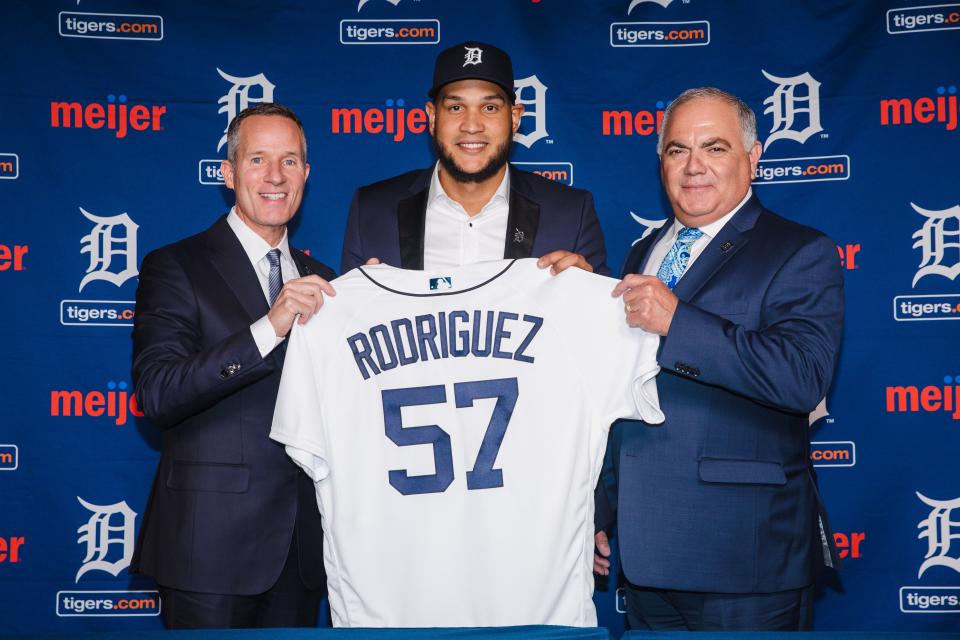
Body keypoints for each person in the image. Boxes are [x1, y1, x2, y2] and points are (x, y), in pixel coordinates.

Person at [595, 87, 844, 630]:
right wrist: (602, 510)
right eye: (677, 150)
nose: (693, 166)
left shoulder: (800, 250)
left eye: (714, 148)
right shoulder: (644, 252)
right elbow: (625, 392)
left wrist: (677, 323)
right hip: (645, 552)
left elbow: (802, 376)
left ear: (752, 159)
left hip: (742, 559)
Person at [131, 103, 335, 629]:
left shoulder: (328, 281)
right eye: (258, 160)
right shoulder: (176, 265)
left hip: (302, 550)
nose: (274, 177)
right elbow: (158, 392)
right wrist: (270, 326)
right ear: (227, 173)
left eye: (289, 162)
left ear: (306, 175)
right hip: (209, 549)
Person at [341, 40, 607, 276]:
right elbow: (346, 323)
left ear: (514, 118)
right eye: (456, 107)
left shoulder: (571, 213)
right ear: (432, 117)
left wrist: (588, 291)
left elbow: (599, 323)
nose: (471, 125)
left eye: (489, 108)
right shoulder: (372, 210)